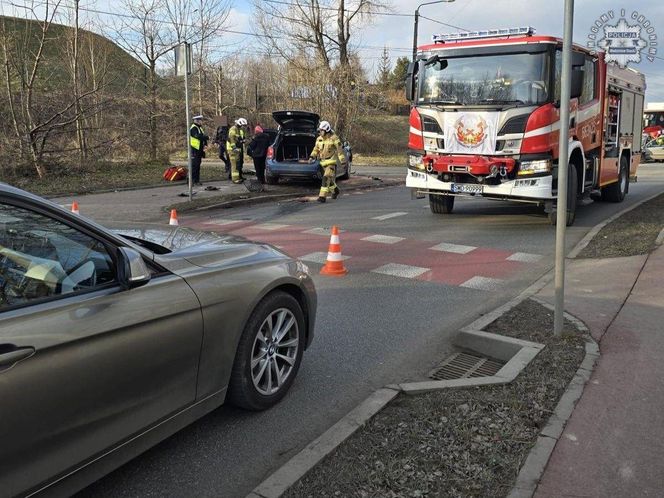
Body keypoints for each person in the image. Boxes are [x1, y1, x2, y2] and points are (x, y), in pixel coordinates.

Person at [309, 120, 342, 203]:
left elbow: (340, 150)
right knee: (329, 180)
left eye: (321, 130)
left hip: (331, 162)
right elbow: (316, 149)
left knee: (325, 178)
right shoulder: (319, 139)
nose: (320, 132)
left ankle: (322, 197)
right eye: (319, 130)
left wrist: (343, 161)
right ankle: (335, 191)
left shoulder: (334, 138)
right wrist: (312, 156)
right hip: (323, 163)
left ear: (326, 130)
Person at [226, 118, 248, 184]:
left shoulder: (238, 129)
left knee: (238, 164)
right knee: (234, 165)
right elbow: (231, 139)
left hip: (237, 149)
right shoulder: (233, 129)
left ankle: (238, 177)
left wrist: (242, 141)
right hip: (232, 150)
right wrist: (234, 147)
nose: (243, 126)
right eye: (242, 125)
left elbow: (238, 138)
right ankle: (235, 179)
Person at [189, 115, 209, 186]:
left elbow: (202, 137)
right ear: (197, 121)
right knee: (194, 166)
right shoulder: (193, 128)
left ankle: (196, 180)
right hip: (194, 150)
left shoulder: (199, 128)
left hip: (199, 150)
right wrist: (206, 137)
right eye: (200, 120)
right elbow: (198, 136)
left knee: (197, 166)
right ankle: (192, 181)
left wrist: (205, 144)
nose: (202, 122)